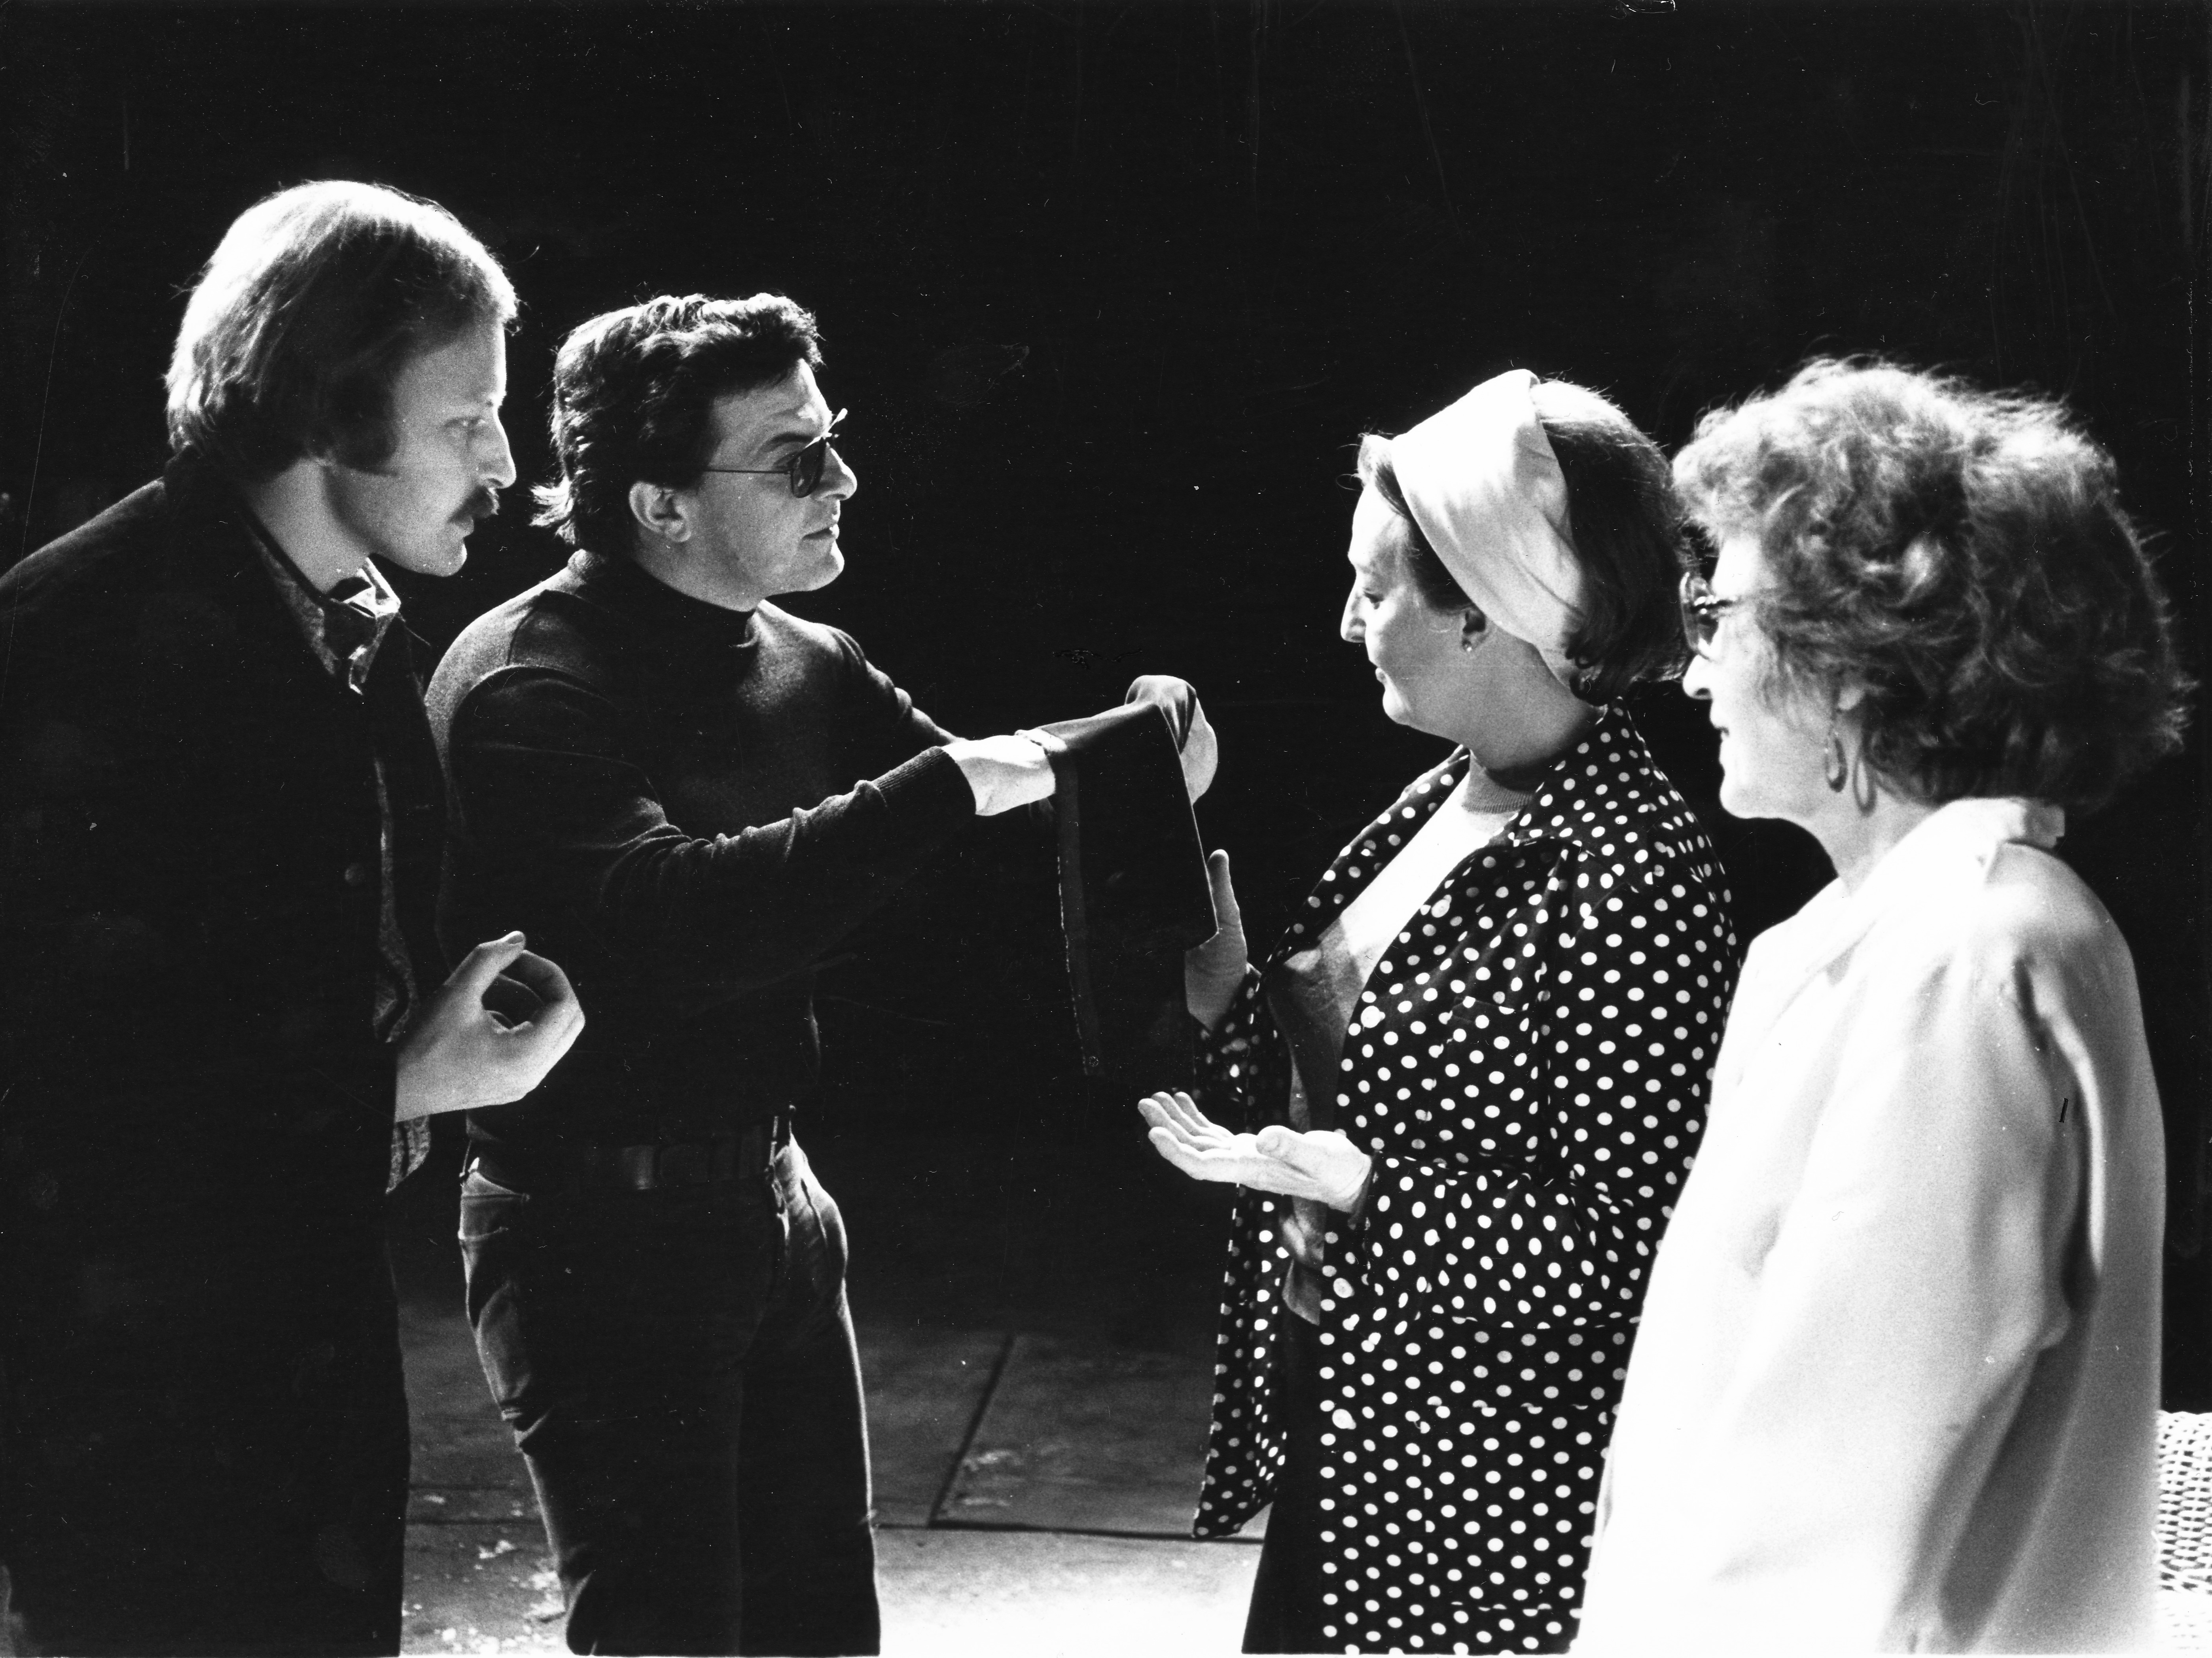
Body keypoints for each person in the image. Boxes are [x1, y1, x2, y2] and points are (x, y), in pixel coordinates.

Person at [424, 291, 1213, 1656]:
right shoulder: (526, 685)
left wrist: (1133, 764)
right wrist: (963, 783)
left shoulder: (809, 658)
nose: (842, 480)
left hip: (775, 1205)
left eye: (833, 440)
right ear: (660, 505)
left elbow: (969, 830)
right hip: (597, 1240)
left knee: (823, 1633)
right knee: (670, 1639)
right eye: (796, 458)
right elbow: (673, 922)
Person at [0, 182, 585, 1656]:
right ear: (330, 409)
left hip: (294, 1335)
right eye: (470, 419)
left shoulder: (346, 629)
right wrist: (398, 1083)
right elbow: (59, 1092)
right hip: (130, 1384)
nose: (506, 466)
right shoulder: (81, 640)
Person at [1572, 361, 2190, 1653]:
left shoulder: (1965, 956)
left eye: (1720, 615)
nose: (1695, 675)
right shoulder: (1911, 931)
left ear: (1848, 654)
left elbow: (1829, 1520)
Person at [1140, 369, 1738, 1654]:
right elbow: (1362, 1078)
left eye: (1377, 586)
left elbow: (1633, 1250)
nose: (1349, 620)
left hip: (1482, 1515)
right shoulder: (1452, 796)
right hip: (1368, 1444)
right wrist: (1229, 994)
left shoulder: (1630, 877)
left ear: (1482, 611)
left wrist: (1368, 1191)